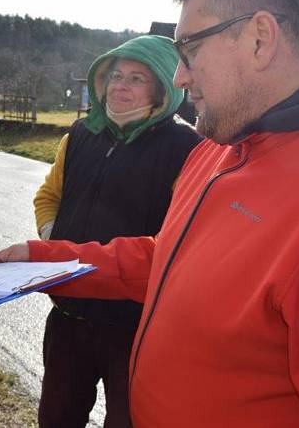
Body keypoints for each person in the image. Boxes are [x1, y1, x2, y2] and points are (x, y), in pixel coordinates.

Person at [0, 0, 299, 427]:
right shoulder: (226, 142)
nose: (180, 77)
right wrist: (44, 258)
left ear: (260, 38)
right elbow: (169, 257)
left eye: (188, 49)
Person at [33, 35, 200, 427]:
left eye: (136, 78)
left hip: (136, 325)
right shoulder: (80, 135)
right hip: (69, 314)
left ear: (162, 86)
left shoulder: (187, 148)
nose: (120, 86)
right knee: (56, 418)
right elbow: (47, 195)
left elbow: (183, 239)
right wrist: (55, 241)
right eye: (115, 76)